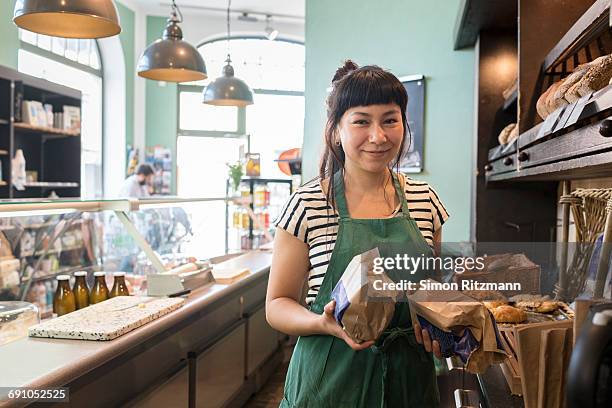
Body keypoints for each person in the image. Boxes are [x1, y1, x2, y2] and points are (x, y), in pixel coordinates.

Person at [266, 60, 450, 407]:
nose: (378, 136)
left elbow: (431, 293)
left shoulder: (426, 201)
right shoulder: (307, 204)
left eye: (390, 120)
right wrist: (322, 323)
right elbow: (277, 305)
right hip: (329, 384)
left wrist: (441, 325)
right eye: (361, 121)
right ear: (336, 129)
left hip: (409, 383)